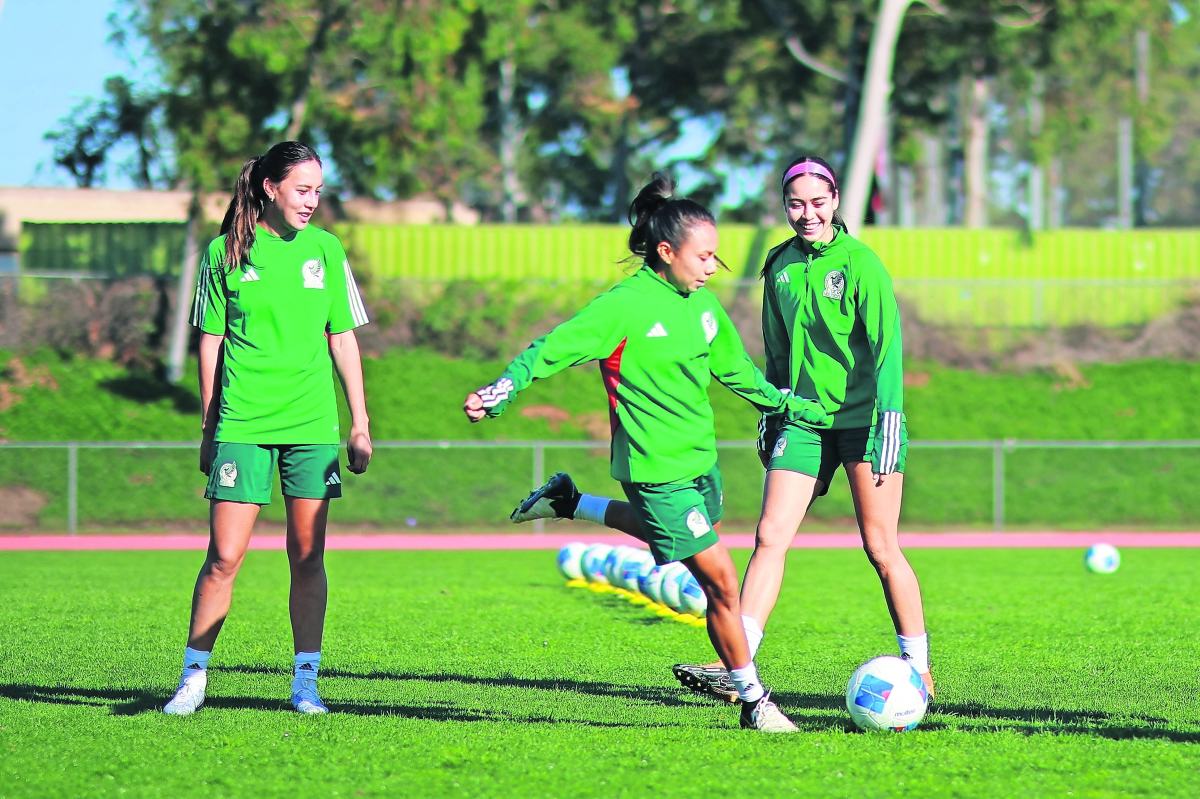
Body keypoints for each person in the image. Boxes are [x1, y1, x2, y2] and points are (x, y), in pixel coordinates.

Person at [512, 156, 933, 701]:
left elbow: (887, 347)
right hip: (803, 423)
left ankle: (917, 665)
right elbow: (775, 350)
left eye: (818, 201)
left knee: (879, 546)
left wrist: (892, 417)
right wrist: (773, 413)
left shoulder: (861, 263)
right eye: (796, 203)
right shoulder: (779, 264)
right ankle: (739, 665)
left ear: (835, 200)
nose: (807, 213)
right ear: (785, 206)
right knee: (768, 537)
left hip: (865, 423)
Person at [464, 174, 827, 733]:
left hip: (699, 462)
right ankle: (756, 702)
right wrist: (501, 391)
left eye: (715, 256)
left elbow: (734, 370)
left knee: (682, 541)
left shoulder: (702, 306)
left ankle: (571, 502)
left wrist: (787, 404)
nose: (712, 267)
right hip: (654, 469)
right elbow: (550, 348)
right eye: (703, 256)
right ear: (666, 252)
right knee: (722, 585)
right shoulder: (625, 307)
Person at [163, 141, 373, 716]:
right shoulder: (223, 251)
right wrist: (209, 426)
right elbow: (210, 341)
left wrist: (359, 422)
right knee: (224, 556)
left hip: (311, 424)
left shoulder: (327, 251)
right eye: (302, 190)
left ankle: (306, 681)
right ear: (269, 188)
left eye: (318, 192)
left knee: (307, 556)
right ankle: (193, 678)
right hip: (243, 422)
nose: (312, 202)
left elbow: (342, 336)